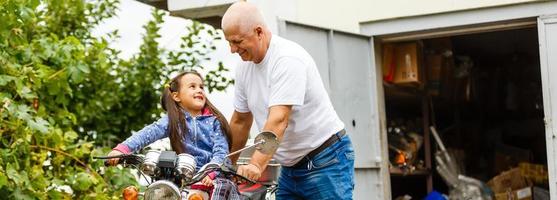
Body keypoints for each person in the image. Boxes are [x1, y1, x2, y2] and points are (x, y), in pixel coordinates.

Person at [221, 2, 355, 199]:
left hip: (326, 159)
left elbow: (279, 119)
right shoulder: (244, 67)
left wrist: (256, 163)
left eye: (237, 41)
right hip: (291, 167)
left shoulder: (287, 58)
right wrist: (227, 165)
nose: (232, 49)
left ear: (259, 32)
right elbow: (241, 121)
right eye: (229, 42)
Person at [106, 71, 232, 187]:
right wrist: (122, 149)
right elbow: (148, 133)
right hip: (184, 176)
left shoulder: (215, 121)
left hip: (213, 177)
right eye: (192, 86)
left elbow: (221, 152)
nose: (199, 90)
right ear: (176, 97)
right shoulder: (173, 120)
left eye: (201, 87)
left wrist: (211, 172)